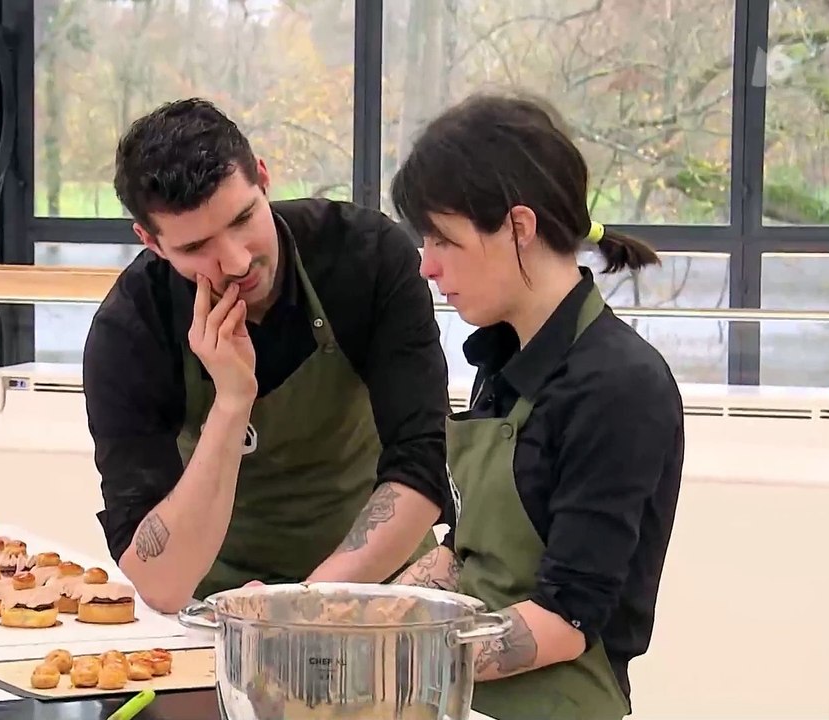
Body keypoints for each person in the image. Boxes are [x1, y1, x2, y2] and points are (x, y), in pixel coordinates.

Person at [82, 98, 454, 613]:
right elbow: (161, 582)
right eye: (196, 249)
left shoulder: (366, 257)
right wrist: (232, 401)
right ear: (151, 241)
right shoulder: (130, 330)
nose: (235, 261)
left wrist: (301, 606)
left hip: (378, 593)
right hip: (223, 608)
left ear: (262, 177)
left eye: (242, 219)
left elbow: (424, 465)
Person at [389, 92, 684, 720]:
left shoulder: (617, 386)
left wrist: (395, 653)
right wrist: (327, 612)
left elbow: (566, 615)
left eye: (443, 239)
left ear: (520, 227)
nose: (426, 267)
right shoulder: (500, 359)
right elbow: (465, 554)